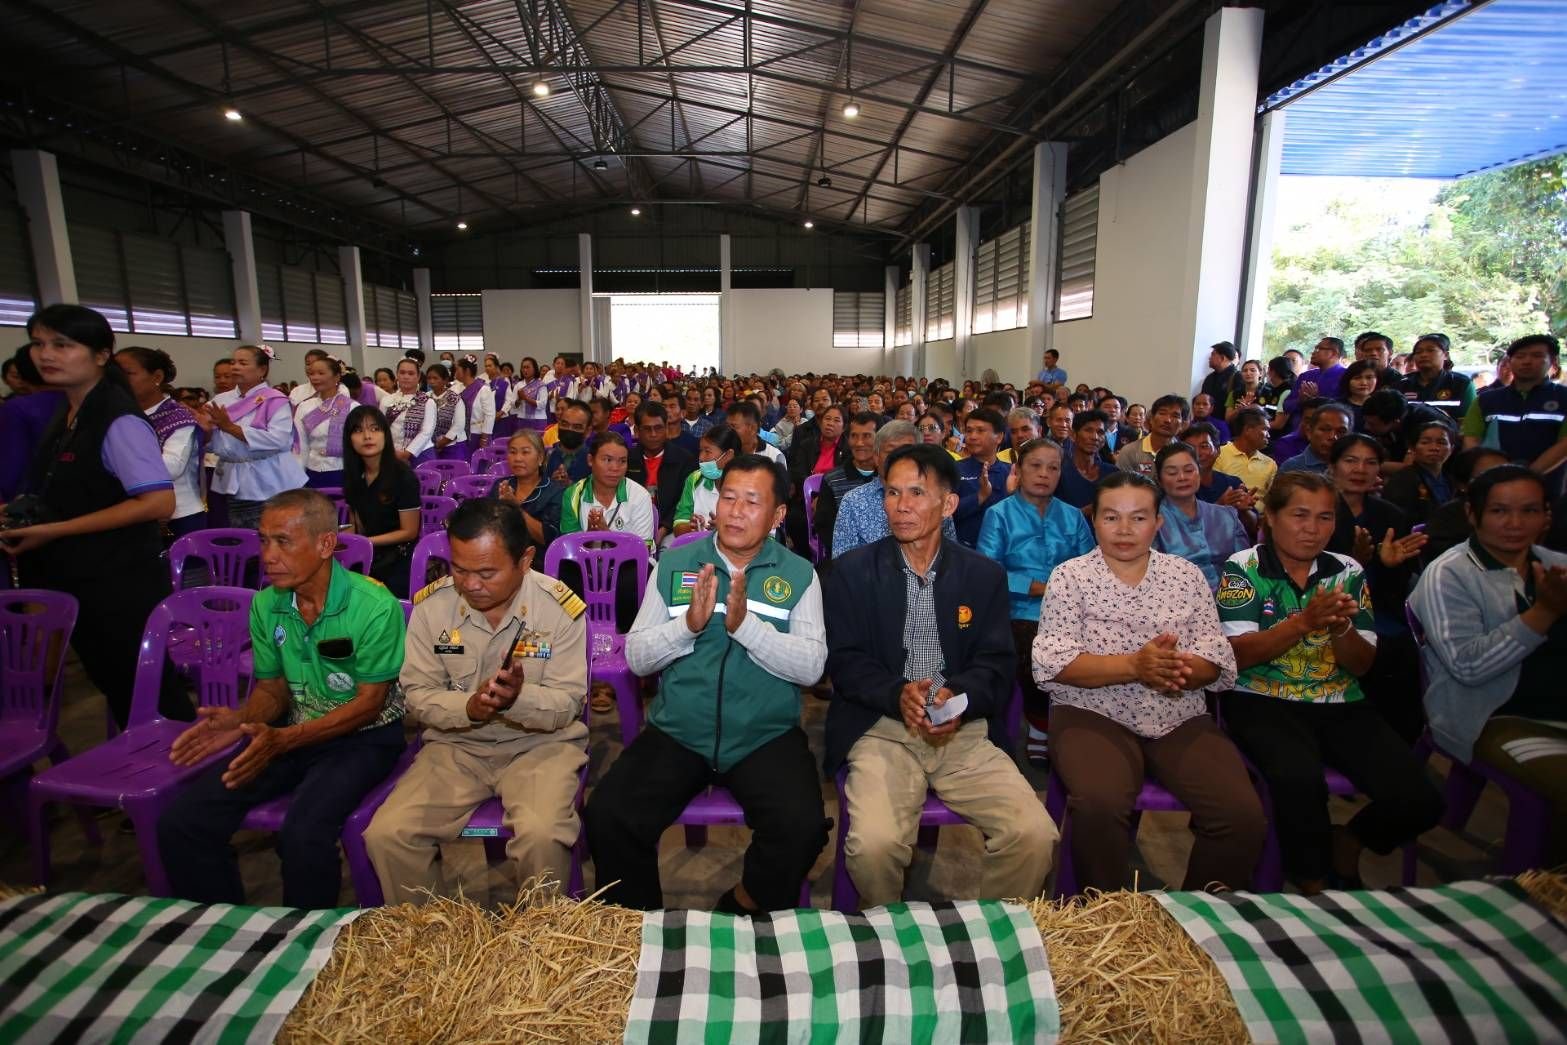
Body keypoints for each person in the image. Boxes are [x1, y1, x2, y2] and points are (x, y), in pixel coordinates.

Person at [587, 455, 828, 912]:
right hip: (680, 729)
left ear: (778, 515)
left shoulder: (799, 575)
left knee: (803, 827)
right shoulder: (676, 563)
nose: (735, 511)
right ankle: (642, 932)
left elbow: (812, 666)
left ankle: (738, 907)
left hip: (764, 735)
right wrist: (688, 627)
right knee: (609, 815)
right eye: (729, 498)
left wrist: (748, 628)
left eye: (752, 502)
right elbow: (637, 657)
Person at [825, 444, 1054, 906]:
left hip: (962, 733)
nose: (901, 505)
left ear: (948, 504)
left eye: (916, 492)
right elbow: (845, 661)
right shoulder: (853, 572)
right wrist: (897, 694)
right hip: (883, 730)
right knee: (874, 846)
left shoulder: (981, 575)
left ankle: (991, 939)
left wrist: (959, 695)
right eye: (891, 493)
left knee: (1034, 836)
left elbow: (997, 663)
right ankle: (890, 936)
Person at [157, 490, 406, 908]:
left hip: (363, 738)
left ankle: (302, 946)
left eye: (283, 542)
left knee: (304, 835)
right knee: (184, 821)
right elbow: (273, 690)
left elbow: (369, 704)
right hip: (289, 732)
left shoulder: (373, 605)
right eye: (263, 540)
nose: (268, 556)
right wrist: (243, 720)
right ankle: (223, 930)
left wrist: (285, 740)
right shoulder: (268, 604)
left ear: (326, 544)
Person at [1033, 471, 1263, 891]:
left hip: (1177, 714)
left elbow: (1214, 656)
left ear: (1159, 522)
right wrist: (1136, 666)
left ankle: (1199, 916)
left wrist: (1176, 670)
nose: (1124, 530)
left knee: (1240, 813)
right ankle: (1111, 918)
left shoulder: (1185, 577)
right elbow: (1055, 663)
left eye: (1138, 518)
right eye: (1111, 517)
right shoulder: (1070, 577)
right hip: (1092, 710)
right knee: (1100, 803)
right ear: (1095, 521)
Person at [1218, 472, 1442, 893]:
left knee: (1421, 798)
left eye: (1324, 518)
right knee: (1298, 780)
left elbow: (1361, 665)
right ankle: (1312, 885)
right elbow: (1238, 655)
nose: (1312, 528)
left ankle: (1351, 841)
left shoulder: (1347, 571)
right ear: (1271, 517)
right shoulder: (1244, 567)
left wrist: (1340, 629)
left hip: (1339, 699)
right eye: (1299, 515)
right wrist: (1304, 622)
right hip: (1260, 696)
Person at [366, 498, 590, 902]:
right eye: (459, 569)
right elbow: (417, 695)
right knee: (389, 834)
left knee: (541, 835)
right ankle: (426, 945)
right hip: (456, 747)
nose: (470, 584)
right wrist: (467, 708)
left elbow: (568, 702)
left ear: (525, 560)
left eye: (487, 572)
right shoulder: (433, 608)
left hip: (540, 747)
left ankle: (542, 947)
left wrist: (517, 699)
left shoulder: (558, 607)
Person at [1, 304, 186, 728]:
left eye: (63, 345)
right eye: (39, 344)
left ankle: (182, 780)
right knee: (119, 689)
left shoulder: (117, 419)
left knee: (147, 695)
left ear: (101, 354)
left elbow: (158, 502)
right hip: (78, 579)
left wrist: (55, 530)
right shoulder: (67, 413)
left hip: (116, 584)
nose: (46, 354)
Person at [1409, 465, 1567, 864]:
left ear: (1547, 516)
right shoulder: (1450, 575)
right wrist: (1543, 614)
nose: (1515, 524)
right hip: (1490, 715)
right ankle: (1544, 891)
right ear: (1473, 514)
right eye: (1499, 511)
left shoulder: (1557, 567)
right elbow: (1468, 667)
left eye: (1530, 511)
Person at [977, 437, 1094, 766]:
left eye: (1053, 468)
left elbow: (1089, 567)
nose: (1044, 474)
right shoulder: (999, 515)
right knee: (1035, 648)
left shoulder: (1072, 517)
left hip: (1070, 609)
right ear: (1018, 469)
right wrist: (1039, 588)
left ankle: (1083, 726)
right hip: (1017, 610)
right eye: (1035, 466)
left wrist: (1063, 592)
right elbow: (990, 571)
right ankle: (1041, 726)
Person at [1325, 434, 1428, 742]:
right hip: (1325, 605)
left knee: (1399, 647)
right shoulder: (1315, 513)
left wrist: (1386, 565)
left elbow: (1397, 587)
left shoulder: (1391, 516)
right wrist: (1353, 564)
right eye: (1351, 461)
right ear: (1333, 466)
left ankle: (1394, 741)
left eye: (1370, 463)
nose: (1360, 470)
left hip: (1378, 606)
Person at [114, 345, 205, 537]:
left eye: (128, 373)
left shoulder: (177, 417)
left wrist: (118, 464)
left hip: (179, 515)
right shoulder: (120, 415)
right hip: (132, 511)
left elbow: (172, 467)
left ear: (156, 377)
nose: (118, 381)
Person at [342, 405, 422, 597]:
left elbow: (409, 532)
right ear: (349, 439)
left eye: (374, 429)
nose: (367, 436)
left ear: (385, 434)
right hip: (368, 553)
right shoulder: (353, 476)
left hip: (400, 557)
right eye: (358, 430)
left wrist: (365, 542)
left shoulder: (403, 476)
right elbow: (358, 526)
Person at [1462, 334, 1567, 475]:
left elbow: (1564, 445)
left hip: (1550, 484)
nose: (1527, 361)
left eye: (1537, 355)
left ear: (1553, 361)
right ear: (1510, 361)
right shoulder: (1485, 400)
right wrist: (1489, 473)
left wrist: (1528, 475)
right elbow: (1471, 441)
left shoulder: (1563, 397)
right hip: (1493, 482)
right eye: (1520, 356)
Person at [1153, 442, 1249, 591]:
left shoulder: (1227, 515)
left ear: (1199, 473)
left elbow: (1245, 567)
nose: (1182, 477)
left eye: (1189, 470)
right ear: (1160, 480)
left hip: (1231, 600)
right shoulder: (1151, 521)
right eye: (1172, 473)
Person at [559, 431, 656, 549]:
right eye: (607, 460)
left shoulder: (640, 496)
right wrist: (588, 539)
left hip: (630, 566)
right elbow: (570, 550)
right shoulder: (573, 495)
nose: (615, 468)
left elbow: (643, 550)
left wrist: (607, 535)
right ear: (590, 460)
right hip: (586, 565)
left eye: (622, 461)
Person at [812, 411, 881, 564]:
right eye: (854, 436)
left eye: (867, 436)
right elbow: (825, 526)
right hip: (846, 558)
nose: (859, 443)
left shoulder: (888, 478)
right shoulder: (833, 479)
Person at [626, 400, 697, 545]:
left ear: (666, 428)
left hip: (670, 528)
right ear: (637, 431)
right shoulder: (626, 458)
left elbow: (683, 501)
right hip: (630, 526)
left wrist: (664, 528)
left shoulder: (685, 459)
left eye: (658, 428)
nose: (653, 434)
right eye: (647, 429)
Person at [489, 428, 563, 551]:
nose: (517, 458)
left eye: (525, 452)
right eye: (513, 452)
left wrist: (516, 508)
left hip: (539, 561)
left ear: (540, 458)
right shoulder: (500, 485)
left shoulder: (555, 492)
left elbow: (549, 538)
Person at [293, 354, 353, 487]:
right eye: (311, 373)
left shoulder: (353, 407)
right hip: (313, 471)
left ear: (337, 377)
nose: (315, 377)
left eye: (321, 373)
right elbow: (301, 445)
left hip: (344, 470)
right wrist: (298, 477)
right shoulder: (304, 407)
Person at [952, 406, 1009, 547]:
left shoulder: (1011, 472)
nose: (972, 436)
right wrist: (979, 497)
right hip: (964, 550)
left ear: (999, 437)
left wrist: (1011, 493)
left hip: (1003, 548)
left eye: (980, 430)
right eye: (969, 431)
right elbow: (945, 513)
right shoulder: (954, 469)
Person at [1382, 419, 1456, 526]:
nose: (1434, 448)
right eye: (1425, 442)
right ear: (1412, 448)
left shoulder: (1451, 480)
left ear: (1451, 449)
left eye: (1441, 442)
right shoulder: (1402, 480)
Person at [672, 423, 739, 538]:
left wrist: (725, 530)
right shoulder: (694, 479)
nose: (701, 457)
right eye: (701, 451)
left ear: (728, 455)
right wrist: (691, 528)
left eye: (707, 451)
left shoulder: (749, 485)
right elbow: (678, 526)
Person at [1400, 333, 1475, 423]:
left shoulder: (1461, 383)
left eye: (1431, 350)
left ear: (1446, 355)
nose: (1423, 355)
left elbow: (1469, 423)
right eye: (1418, 352)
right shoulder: (1401, 384)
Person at [1115, 394, 1188, 478]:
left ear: (1183, 424)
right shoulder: (1130, 452)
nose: (1167, 420)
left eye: (1175, 416)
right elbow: (1122, 486)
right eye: (1162, 413)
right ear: (1151, 419)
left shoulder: (1185, 454)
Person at [1213, 406, 1277, 502]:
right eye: (1265, 429)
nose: (1268, 435)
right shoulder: (1219, 454)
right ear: (1248, 429)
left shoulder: (1270, 464)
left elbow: (1272, 502)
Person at [1284, 337, 1348, 427]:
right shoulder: (1305, 376)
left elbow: (1346, 407)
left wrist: (1316, 399)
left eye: (1318, 349)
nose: (1313, 352)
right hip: (1300, 430)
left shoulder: (1347, 376)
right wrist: (1300, 400)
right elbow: (1286, 406)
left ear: (1333, 353)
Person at [382, 358, 435, 465]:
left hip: (420, 454)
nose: (406, 377)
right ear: (397, 375)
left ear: (418, 376)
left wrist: (407, 453)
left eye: (411, 373)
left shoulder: (427, 402)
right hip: (393, 454)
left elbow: (426, 432)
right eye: (402, 373)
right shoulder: (386, 400)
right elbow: (381, 428)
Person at [1056, 409, 1113, 509]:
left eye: (1100, 432)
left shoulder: (1112, 473)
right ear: (1073, 435)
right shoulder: (1059, 472)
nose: (1095, 437)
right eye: (1088, 430)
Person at [1279, 401, 1353, 475]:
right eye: (1325, 429)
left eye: (1341, 432)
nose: (1333, 437)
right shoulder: (1292, 468)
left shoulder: (1355, 468)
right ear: (1309, 432)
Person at [424, 363, 469, 461]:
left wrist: (441, 443)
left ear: (445, 380)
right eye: (429, 378)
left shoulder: (455, 399)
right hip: (430, 445)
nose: (431, 381)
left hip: (454, 446)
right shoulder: (425, 398)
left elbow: (459, 425)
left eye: (435, 378)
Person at [544, 399, 592, 484]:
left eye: (577, 427)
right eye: (565, 424)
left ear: (588, 431)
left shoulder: (594, 461)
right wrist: (550, 485)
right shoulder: (545, 457)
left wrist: (570, 485)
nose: (569, 430)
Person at [454, 356, 493, 459]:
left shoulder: (483, 389)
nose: (455, 372)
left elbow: (489, 415)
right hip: (460, 434)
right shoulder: (456, 388)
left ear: (466, 371)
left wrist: (484, 438)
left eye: (457, 369)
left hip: (477, 433)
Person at [511, 356, 552, 431]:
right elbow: (513, 405)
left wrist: (525, 398)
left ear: (534, 369)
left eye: (528, 367)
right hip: (522, 419)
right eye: (523, 367)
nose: (525, 370)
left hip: (538, 420)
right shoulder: (518, 385)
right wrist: (519, 399)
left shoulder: (541, 385)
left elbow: (542, 404)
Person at [1198, 341, 1240, 407]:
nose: (1209, 358)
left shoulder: (1237, 377)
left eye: (1213, 354)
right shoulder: (1209, 378)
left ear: (1222, 358)